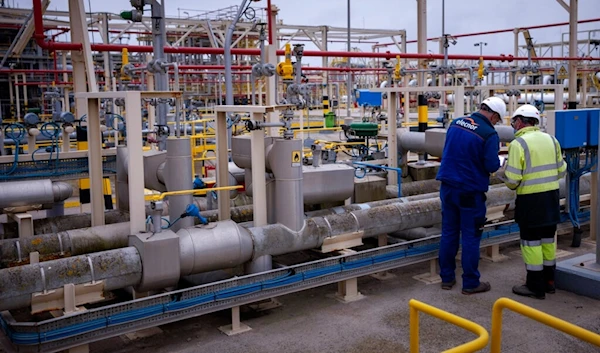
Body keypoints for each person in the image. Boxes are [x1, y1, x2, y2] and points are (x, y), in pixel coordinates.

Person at [436, 96, 506, 294]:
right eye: (497, 119)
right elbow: (491, 165)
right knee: (470, 237)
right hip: (470, 191)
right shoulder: (489, 134)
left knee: (449, 233)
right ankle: (470, 283)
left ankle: (447, 279)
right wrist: (500, 161)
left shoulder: (456, 123)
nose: (496, 123)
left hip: (447, 186)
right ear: (493, 115)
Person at [498, 104, 567, 299]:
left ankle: (535, 287)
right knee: (547, 241)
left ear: (520, 121)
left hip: (530, 201)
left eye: (514, 122)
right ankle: (550, 282)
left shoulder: (519, 144)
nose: (513, 126)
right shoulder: (552, 140)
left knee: (531, 244)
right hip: (551, 199)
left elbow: (512, 180)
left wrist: (501, 175)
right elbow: (562, 170)